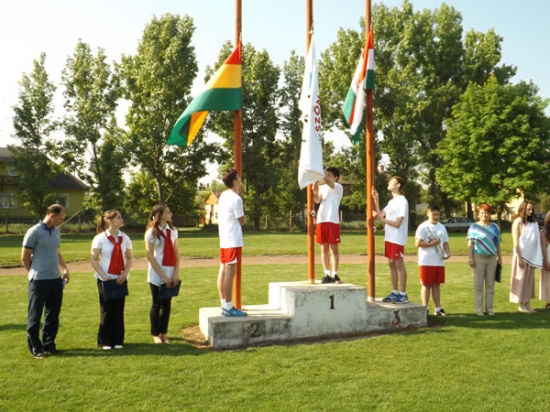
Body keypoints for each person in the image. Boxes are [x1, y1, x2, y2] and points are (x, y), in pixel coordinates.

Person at [22, 204, 69, 359]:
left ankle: (49, 345)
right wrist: (34, 273)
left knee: (52, 314)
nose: (62, 221)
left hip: (55, 279)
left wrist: (65, 269)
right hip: (39, 280)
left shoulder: (56, 231)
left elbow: (57, 253)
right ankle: (36, 347)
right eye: (61, 218)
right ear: (52, 215)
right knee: (35, 315)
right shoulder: (34, 232)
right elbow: (25, 257)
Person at [90, 210, 133, 350]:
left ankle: (118, 340)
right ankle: (105, 341)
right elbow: (93, 259)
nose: (122, 219)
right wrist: (103, 276)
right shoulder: (100, 238)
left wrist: (125, 273)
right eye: (118, 217)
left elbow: (130, 258)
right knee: (106, 310)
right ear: (109, 220)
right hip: (105, 279)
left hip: (120, 278)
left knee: (118, 310)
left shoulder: (125, 238)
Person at [145, 204, 180, 344]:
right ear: (159, 215)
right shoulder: (151, 233)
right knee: (157, 304)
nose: (171, 214)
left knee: (167, 305)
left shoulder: (173, 231)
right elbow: (150, 256)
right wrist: (163, 276)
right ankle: (155, 334)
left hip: (171, 271)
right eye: (168, 212)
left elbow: (177, 253)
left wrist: (175, 273)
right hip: (156, 273)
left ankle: (163, 334)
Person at [372, 176, 410, 303]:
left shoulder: (403, 201)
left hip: (397, 238)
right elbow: (380, 215)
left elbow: (398, 223)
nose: (388, 182)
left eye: (392, 181)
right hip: (389, 237)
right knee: (391, 264)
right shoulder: (391, 202)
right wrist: (376, 199)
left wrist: (381, 219)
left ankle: (403, 294)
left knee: (399, 265)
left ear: (398, 185)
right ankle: (395, 292)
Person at [217, 168, 247, 317]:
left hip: (224, 239)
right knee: (230, 272)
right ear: (234, 181)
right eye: (238, 177)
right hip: (232, 240)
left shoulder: (223, 195)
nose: (240, 179)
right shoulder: (236, 199)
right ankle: (228, 307)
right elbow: (242, 220)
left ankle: (224, 304)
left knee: (223, 270)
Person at [467, 204, 502, 316]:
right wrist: (470, 258)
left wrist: (500, 258)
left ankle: (490, 309)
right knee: (478, 285)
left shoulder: (495, 227)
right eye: (482, 213)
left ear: (489, 214)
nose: (484, 215)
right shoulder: (474, 227)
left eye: (486, 213)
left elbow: (497, 244)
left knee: (490, 285)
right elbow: (470, 244)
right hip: (478, 258)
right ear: (479, 214)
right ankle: (479, 310)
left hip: (492, 259)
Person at [415, 205, 450, 316]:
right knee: (426, 285)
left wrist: (447, 253)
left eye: (438, 215)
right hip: (426, 261)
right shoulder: (423, 227)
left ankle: (437, 308)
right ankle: (424, 308)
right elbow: (417, 243)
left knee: (436, 285)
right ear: (428, 214)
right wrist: (432, 244)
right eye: (434, 214)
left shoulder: (442, 227)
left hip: (438, 261)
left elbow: (445, 242)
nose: (436, 217)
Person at [510, 201, 542, 313]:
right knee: (522, 281)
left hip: (531, 257)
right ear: (522, 209)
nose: (531, 211)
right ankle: (521, 304)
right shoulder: (517, 222)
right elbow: (516, 241)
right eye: (528, 209)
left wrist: (536, 256)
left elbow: (536, 240)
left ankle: (527, 304)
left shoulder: (533, 223)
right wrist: (520, 258)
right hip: (521, 256)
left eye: (532, 209)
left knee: (529, 281)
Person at [313, 167, 344, 284]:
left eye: (329, 175)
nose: (326, 176)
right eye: (326, 174)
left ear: (336, 177)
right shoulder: (323, 187)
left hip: (332, 221)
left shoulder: (338, 187)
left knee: (333, 249)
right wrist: (315, 191)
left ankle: (335, 274)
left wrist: (318, 168)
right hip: (322, 220)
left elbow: (326, 181)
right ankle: (326, 274)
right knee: (324, 248)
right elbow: (317, 200)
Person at [539, 211, 550, 310]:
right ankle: (549, 302)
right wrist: (546, 261)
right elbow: (543, 248)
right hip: (548, 259)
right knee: (548, 282)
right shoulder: (544, 232)